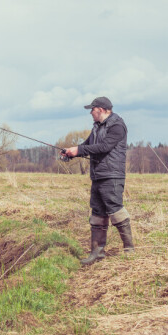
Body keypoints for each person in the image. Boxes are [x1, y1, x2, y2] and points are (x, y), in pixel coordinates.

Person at [62, 96, 133, 265]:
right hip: (97, 175)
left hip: (112, 175)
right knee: (97, 213)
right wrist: (72, 152)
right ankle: (97, 253)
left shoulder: (117, 125)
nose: (90, 113)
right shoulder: (96, 127)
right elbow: (88, 145)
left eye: (92, 110)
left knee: (115, 210)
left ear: (101, 109)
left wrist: (79, 149)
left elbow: (104, 147)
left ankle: (129, 249)